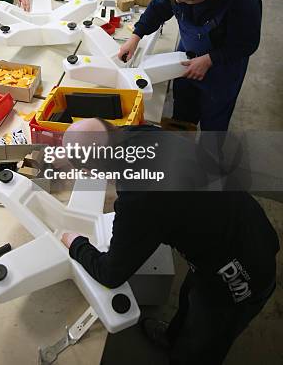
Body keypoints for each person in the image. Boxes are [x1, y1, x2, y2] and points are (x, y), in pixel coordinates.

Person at [61, 118, 279, 365]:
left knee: (206, 335)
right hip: (237, 219)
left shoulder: (139, 197)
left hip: (241, 268)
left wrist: (75, 242)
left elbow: (111, 273)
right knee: (193, 294)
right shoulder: (140, 132)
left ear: (94, 172)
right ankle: (172, 336)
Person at [117, 0, 262, 131]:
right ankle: (181, 145)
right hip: (189, 49)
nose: (177, 2)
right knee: (184, 103)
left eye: (184, 1)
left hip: (223, 61)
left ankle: (209, 155)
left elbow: (247, 43)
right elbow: (159, 8)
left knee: (214, 117)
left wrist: (209, 60)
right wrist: (136, 36)